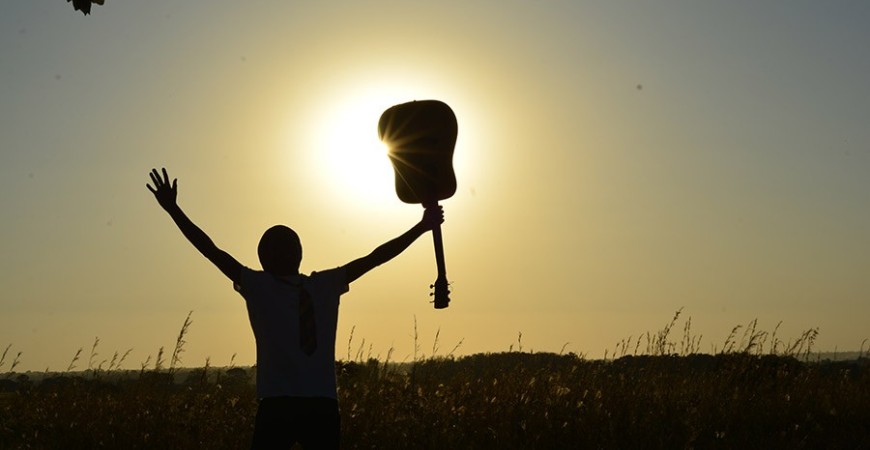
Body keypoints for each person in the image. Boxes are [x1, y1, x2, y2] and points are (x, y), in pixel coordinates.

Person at [146, 167, 443, 449]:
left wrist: (421, 227)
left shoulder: (284, 285)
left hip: (293, 405)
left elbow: (376, 256)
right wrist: (421, 226)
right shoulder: (293, 285)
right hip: (307, 404)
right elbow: (376, 257)